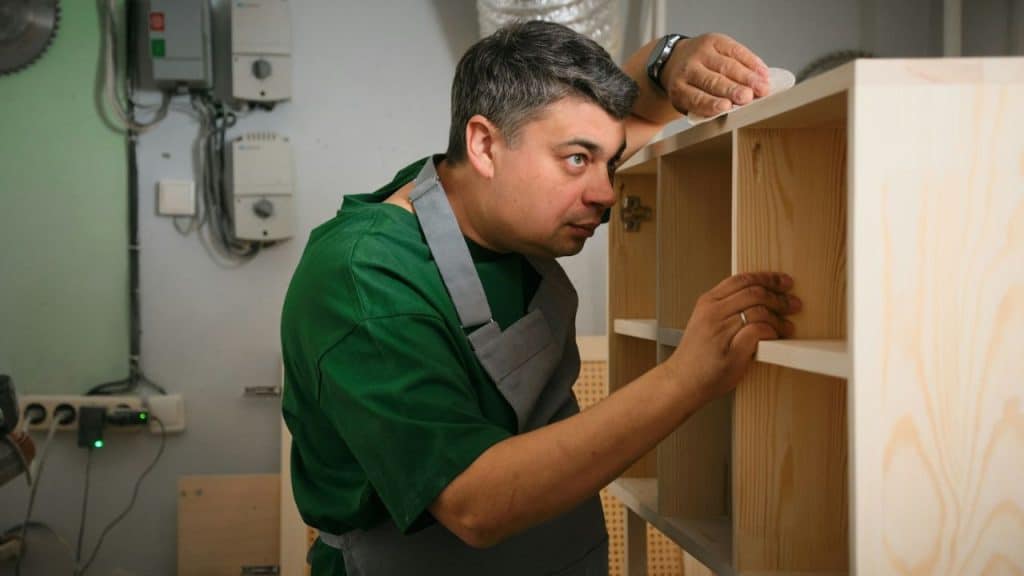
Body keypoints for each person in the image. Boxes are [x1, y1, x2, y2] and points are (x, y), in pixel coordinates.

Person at [281, 20, 801, 576]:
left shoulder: (489, 207)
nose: (605, 193)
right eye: (578, 159)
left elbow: (639, 113)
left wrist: (670, 58)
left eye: (612, 162)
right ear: (484, 145)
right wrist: (689, 375)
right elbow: (473, 503)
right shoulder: (364, 280)